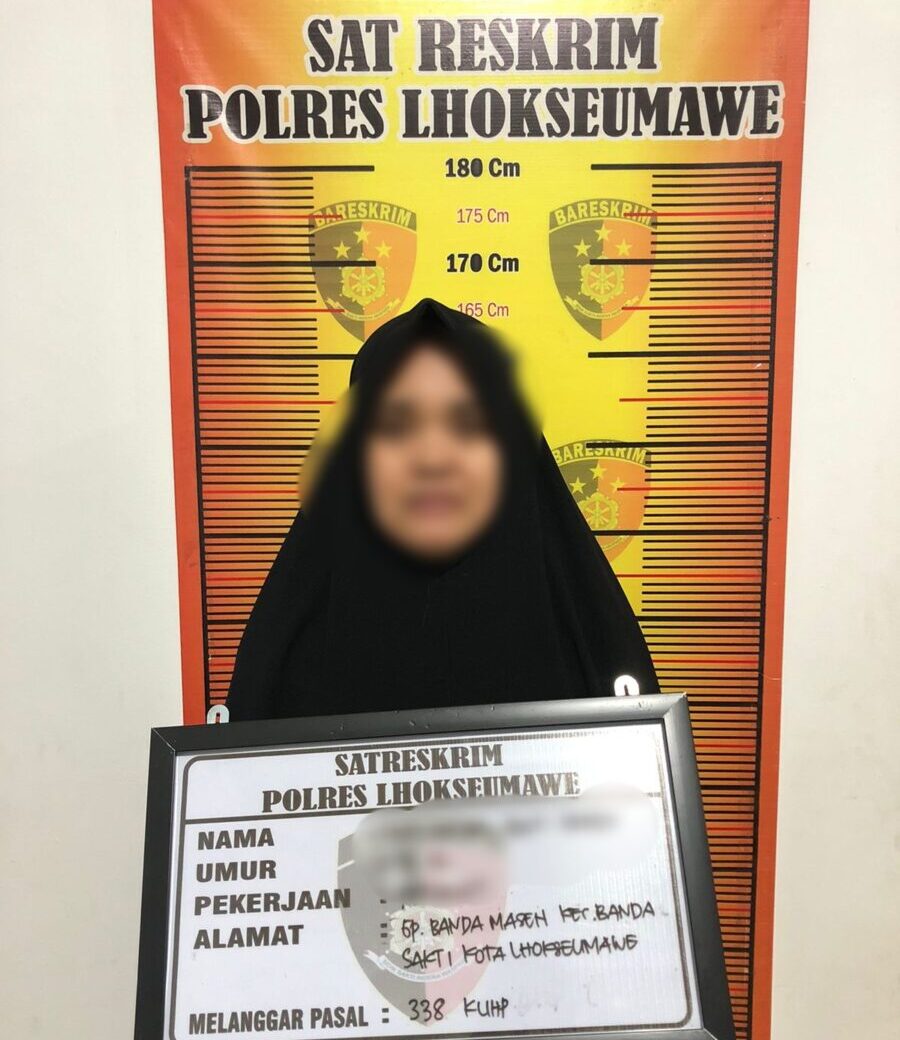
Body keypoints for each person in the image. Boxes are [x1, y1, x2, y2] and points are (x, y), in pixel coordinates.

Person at [225, 296, 659, 721]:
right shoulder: (279, 664)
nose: (433, 458)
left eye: (470, 424)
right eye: (394, 425)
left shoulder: (596, 655)